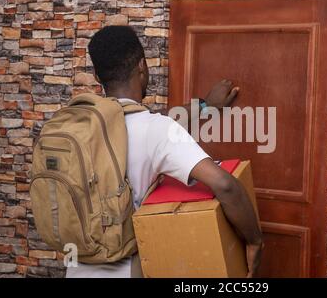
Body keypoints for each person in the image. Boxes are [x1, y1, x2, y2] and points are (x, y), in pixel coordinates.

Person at [66, 25, 263, 278]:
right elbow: (225, 185)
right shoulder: (155, 130)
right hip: (125, 271)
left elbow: (146, 121)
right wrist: (256, 241)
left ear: (96, 75)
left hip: (75, 268)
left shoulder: (80, 123)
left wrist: (206, 107)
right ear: (141, 66)